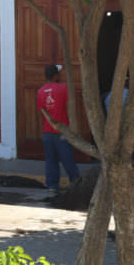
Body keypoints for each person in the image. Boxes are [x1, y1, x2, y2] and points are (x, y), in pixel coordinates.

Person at [37, 64, 81, 192]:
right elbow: (69, 107)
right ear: (56, 75)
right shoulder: (63, 88)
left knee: (50, 160)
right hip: (62, 131)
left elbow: (42, 112)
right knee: (67, 159)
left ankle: (52, 185)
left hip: (47, 132)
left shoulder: (40, 91)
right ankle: (76, 182)